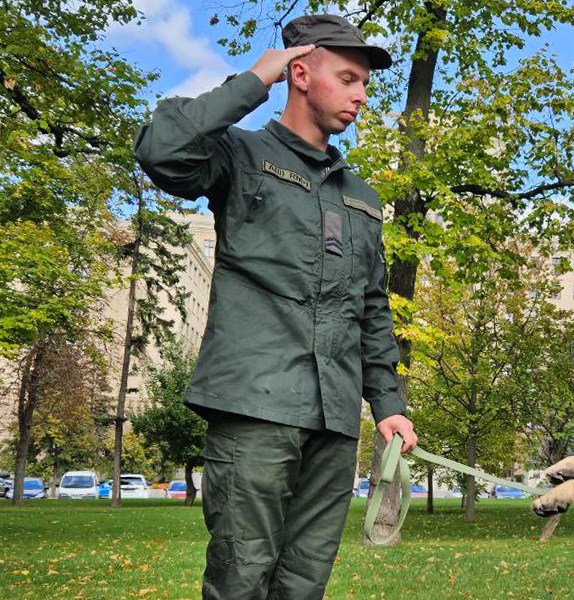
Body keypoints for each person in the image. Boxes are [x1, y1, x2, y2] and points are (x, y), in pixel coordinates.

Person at [133, 14, 417, 600]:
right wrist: (255, 78)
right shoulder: (240, 156)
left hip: (335, 419)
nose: (361, 96)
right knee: (241, 576)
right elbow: (162, 150)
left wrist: (387, 402)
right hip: (256, 406)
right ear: (301, 74)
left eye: (365, 83)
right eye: (347, 78)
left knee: (305, 581)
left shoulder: (360, 197)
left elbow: (372, 306)